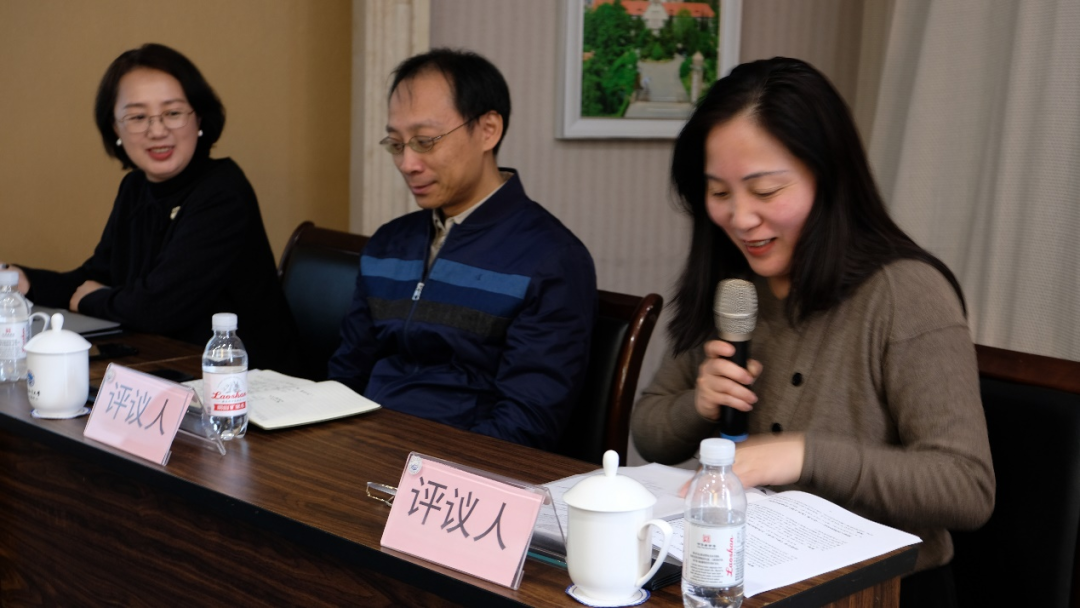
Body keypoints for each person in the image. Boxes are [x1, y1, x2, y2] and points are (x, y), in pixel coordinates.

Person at [630, 57, 994, 605]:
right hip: (754, 577)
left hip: (880, 592)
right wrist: (699, 404)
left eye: (765, 191)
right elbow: (650, 433)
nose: (740, 218)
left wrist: (801, 454)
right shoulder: (735, 286)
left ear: (828, 179)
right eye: (720, 193)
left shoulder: (906, 293)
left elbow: (967, 487)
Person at [328, 49, 596, 449]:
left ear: (488, 130)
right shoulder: (389, 243)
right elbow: (347, 373)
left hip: (458, 467)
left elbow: (525, 423)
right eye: (396, 144)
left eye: (425, 141)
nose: (407, 163)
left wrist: (425, 473)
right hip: (366, 449)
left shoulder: (550, 259)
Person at [6, 43, 300, 373]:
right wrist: (24, 282)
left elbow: (157, 307)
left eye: (173, 113)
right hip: (164, 368)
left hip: (244, 383)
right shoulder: (135, 188)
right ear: (115, 128)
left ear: (199, 118)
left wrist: (92, 300)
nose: (157, 131)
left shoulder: (223, 191)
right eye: (137, 117)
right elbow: (98, 276)